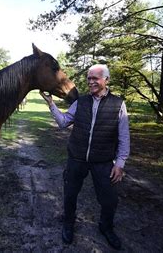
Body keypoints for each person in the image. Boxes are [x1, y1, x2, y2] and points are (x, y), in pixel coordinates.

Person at [40, 63, 130, 249]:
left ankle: (106, 227)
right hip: (77, 158)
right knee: (70, 194)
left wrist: (120, 163)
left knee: (109, 199)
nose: (91, 82)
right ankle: (68, 223)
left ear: (106, 80)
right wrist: (51, 105)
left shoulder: (118, 104)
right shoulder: (81, 101)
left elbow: (124, 136)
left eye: (95, 78)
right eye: (89, 78)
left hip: (103, 161)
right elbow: (64, 122)